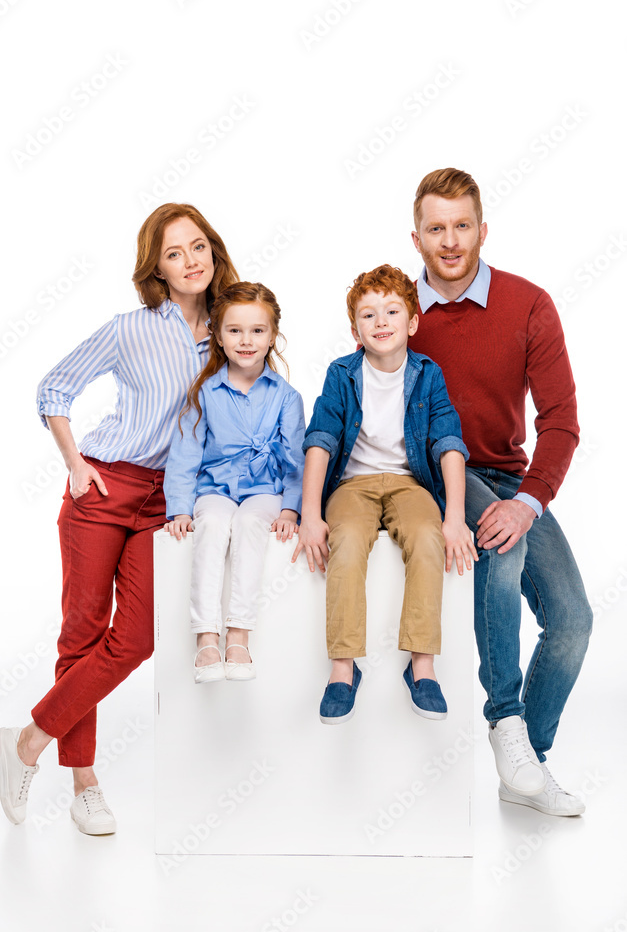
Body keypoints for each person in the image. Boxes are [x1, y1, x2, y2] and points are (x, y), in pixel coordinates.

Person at [0, 203, 239, 835]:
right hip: (107, 484)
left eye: (198, 247)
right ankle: (85, 783)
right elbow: (54, 388)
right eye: (174, 253)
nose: (191, 261)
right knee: (81, 632)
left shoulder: (233, 331)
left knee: (135, 639)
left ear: (213, 251)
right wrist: (75, 463)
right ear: (156, 267)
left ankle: (25, 742)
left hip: (167, 500)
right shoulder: (131, 328)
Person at [408, 167, 592, 816]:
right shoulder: (396, 312)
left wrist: (527, 500)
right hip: (431, 476)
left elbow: (561, 422)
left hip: (507, 478)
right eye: (436, 228)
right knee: (498, 543)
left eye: (461, 226)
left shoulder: (527, 303)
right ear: (416, 237)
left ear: (482, 230)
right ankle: (503, 718)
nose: (450, 240)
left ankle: (528, 771)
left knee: (572, 619)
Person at [293, 264, 477, 723]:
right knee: (349, 542)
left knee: (427, 536)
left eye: (392, 311)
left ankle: (422, 666)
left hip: (408, 482)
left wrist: (453, 515)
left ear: (412, 322)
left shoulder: (427, 375)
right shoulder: (342, 374)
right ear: (354, 328)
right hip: (352, 484)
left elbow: (448, 443)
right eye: (368, 315)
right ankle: (343, 667)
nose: (381, 322)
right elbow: (321, 440)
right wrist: (309, 513)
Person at [164, 281, 305, 682]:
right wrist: (178, 509)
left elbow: (297, 460)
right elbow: (185, 456)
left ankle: (238, 633)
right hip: (216, 489)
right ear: (218, 335)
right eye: (235, 330)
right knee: (211, 524)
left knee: (249, 524)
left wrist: (291, 508)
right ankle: (206, 637)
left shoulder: (286, 397)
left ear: (272, 335)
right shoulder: (204, 392)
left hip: (266, 491)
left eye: (257, 331)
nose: (247, 340)